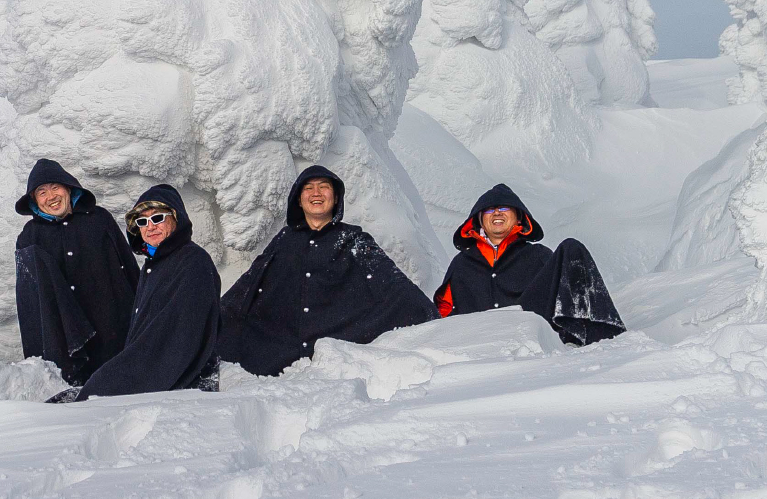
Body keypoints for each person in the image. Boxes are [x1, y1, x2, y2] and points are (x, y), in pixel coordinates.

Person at [217, 165, 438, 376]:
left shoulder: (353, 239)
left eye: (324, 186)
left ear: (335, 198)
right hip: (280, 355)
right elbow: (250, 284)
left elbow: (391, 282)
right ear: (299, 200)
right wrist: (213, 319)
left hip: (336, 351)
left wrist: (430, 317)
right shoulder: (284, 240)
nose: (316, 193)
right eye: (308, 188)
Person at [48, 184, 221, 402]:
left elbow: (173, 341)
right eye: (142, 221)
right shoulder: (155, 265)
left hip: (182, 390)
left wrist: (114, 380)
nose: (150, 227)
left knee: (84, 402)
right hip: (154, 376)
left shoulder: (192, 262)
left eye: (158, 218)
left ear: (176, 219)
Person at [433, 183, 626, 346]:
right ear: (479, 221)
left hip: (531, 335)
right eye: (490, 210)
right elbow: (443, 314)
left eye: (505, 208)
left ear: (519, 217)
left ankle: (602, 336)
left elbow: (561, 294)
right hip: (480, 342)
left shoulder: (539, 256)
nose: (497, 212)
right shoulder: (461, 264)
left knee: (571, 248)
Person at [15, 159, 139, 385]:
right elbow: (30, 300)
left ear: (68, 189)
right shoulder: (29, 237)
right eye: (41, 192)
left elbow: (129, 267)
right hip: (65, 338)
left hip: (112, 330)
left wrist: (142, 315)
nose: (50, 196)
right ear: (33, 201)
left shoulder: (99, 220)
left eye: (55, 187)